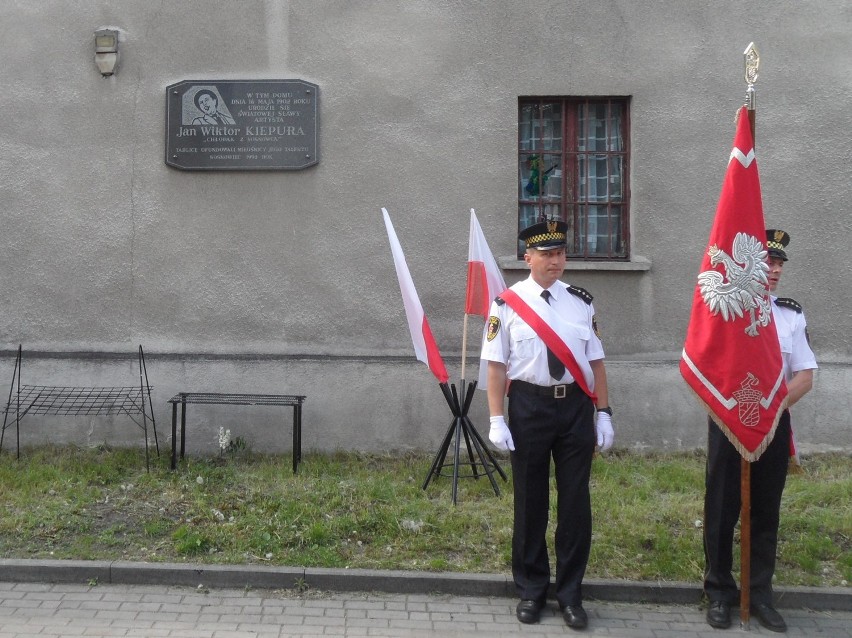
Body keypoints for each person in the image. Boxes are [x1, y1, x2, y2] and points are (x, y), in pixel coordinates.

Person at [480, 218, 614, 630]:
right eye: (547, 254)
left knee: (576, 504)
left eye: (560, 253)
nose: (556, 261)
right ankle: (532, 590)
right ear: (528, 257)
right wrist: (496, 418)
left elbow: (596, 363)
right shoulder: (506, 304)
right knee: (530, 502)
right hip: (529, 409)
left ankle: (571, 594)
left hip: (573, 409)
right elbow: (497, 368)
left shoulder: (581, 301)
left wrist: (604, 413)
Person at [703, 229, 817, 633]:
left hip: (772, 423)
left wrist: (772, 408)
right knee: (722, 508)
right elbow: (710, 364)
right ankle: (718, 593)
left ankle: (759, 594)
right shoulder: (727, 313)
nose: (775, 270)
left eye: (780, 263)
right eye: (769, 261)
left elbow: (805, 373)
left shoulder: (789, 314)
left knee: (765, 510)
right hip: (728, 421)